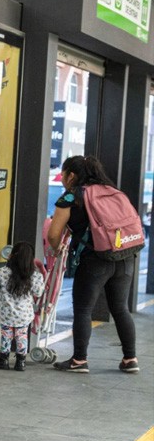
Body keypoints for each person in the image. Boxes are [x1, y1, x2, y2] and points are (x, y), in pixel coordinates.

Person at [46, 155, 139, 374]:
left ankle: (79, 360)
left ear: (71, 175)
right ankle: (130, 359)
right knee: (120, 308)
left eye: (63, 174)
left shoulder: (71, 197)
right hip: (124, 255)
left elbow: (53, 234)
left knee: (83, 308)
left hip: (95, 259)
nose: (62, 179)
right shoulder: (113, 191)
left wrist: (56, 249)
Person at [0, 242, 44, 372]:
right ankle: (20, 362)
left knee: (6, 335)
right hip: (24, 314)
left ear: (12, 255)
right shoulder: (35, 276)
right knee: (22, 336)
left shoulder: (1, 272)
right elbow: (38, 292)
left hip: (6, 313)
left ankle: (3, 360)